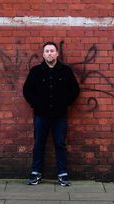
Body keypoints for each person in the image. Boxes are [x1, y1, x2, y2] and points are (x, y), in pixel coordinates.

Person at [23, 41, 80, 186]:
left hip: (59, 115)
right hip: (40, 115)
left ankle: (62, 174)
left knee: (60, 144)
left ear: (57, 54)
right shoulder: (36, 71)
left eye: (52, 51)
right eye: (47, 51)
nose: (49, 53)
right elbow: (27, 90)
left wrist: (65, 103)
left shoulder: (65, 71)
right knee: (39, 144)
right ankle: (36, 173)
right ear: (43, 54)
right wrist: (36, 104)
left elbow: (75, 90)